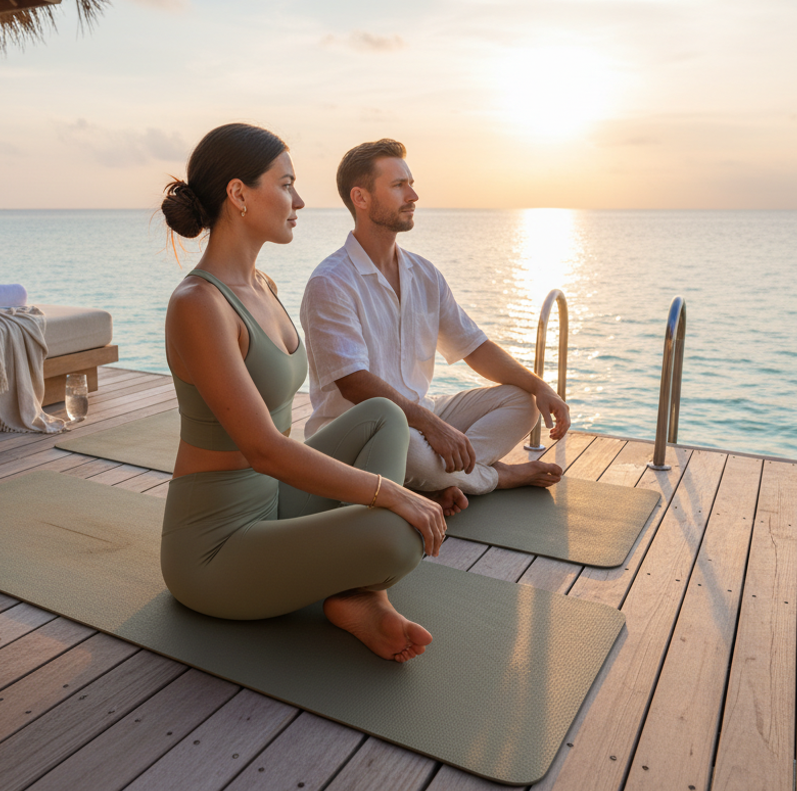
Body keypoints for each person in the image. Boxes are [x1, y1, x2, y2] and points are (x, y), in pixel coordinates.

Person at [160, 123, 447, 663]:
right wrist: (394, 492)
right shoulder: (199, 304)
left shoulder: (262, 285)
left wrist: (387, 493)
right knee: (397, 535)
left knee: (384, 414)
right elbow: (264, 449)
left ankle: (359, 596)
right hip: (215, 546)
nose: (300, 200)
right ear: (239, 194)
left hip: (273, 503)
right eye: (286, 184)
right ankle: (360, 589)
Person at [299, 138, 570, 509]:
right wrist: (433, 426)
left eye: (410, 183)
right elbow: (354, 383)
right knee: (407, 447)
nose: (413, 195)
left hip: (420, 413)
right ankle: (496, 476)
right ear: (360, 198)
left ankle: (440, 479)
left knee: (521, 401)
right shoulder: (330, 282)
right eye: (398, 185)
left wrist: (540, 386)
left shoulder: (424, 274)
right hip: (360, 430)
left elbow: (474, 346)